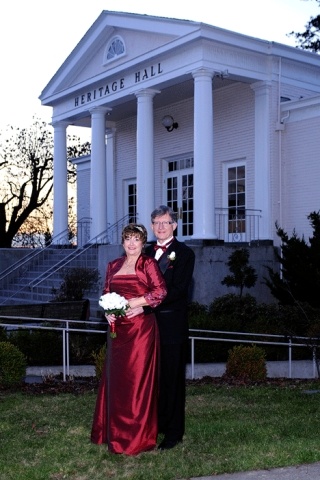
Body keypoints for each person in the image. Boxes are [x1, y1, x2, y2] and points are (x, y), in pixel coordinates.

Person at [91, 224, 167, 456]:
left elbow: (160, 291)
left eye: (136, 239)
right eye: (127, 239)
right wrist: (108, 311)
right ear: (122, 242)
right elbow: (106, 293)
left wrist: (133, 303)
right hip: (117, 331)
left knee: (136, 382)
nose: (132, 243)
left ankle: (135, 437)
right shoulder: (113, 265)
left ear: (143, 243)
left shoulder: (148, 264)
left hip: (140, 330)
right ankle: (112, 431)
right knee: (117, 381)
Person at [145, 205, 195, 450]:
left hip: (171, 326)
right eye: (156, 223)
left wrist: (145, 303)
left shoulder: (184, 253)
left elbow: (178, 291)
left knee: (172, 380)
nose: (160, 227)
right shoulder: (143, 251)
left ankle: (173, 433)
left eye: (165, 222)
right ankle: (153, 426)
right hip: (144, 328)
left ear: (174, 225)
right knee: (150, 380)